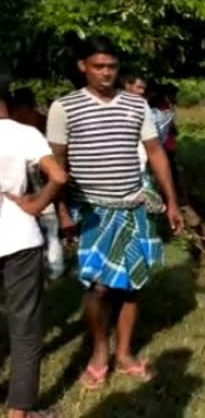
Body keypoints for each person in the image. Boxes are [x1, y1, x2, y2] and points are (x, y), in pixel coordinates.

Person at [47, 36, 184, 390]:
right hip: (92, 211)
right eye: (98, 66)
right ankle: (99, 351)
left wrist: (171, 202)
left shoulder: (137, 106)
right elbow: (57, 166)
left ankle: (123, 353)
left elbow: (155, 153)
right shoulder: (64, 108)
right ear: (83, 67)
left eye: (111, 67)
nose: (106, 73)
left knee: (133, 286)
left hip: (135, 206)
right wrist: (62, 212)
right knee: (98, 287)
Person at [0, 73, 68, 417]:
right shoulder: (24, 134)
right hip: (18, 238)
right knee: (24, 328)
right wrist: (36, 205)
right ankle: (19, 413)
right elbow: (58, 176)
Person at [8, 89, 65, 279]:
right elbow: (58, 174)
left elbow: (56, 173)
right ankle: (54, 269)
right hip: (33, 193)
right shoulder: (30, 129)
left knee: (50, 227)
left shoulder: (34, 127)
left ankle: (54, 269)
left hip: (37, 188)